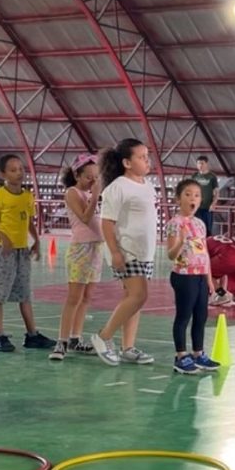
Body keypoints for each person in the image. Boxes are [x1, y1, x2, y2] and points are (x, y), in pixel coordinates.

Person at [90, 138, 157, 366]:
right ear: (127, 163)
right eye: (141, 157)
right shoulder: (117, 187)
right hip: (127, 251)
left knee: (133, 299)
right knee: (139, 295)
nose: (147, 161)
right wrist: (115, 252)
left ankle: (128, 347)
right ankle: (103, 336)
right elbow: (107, 222)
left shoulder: (147, 185)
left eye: (147, 156)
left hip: (144, 252)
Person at [0, 154, 56, 352]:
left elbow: (28, 221)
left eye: (21, 169)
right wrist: (3, 237)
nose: (19, 173)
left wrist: (36, 241)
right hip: (3, 251)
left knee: (25, 294)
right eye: (13, 170)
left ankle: (32, 335)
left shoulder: (27, 196)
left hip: (22, 251)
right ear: (3, 174)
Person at [50, 153, 102, 361]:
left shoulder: (90, 194)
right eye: (88, 177)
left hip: (96, 249)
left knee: (87, 297)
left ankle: (75, 338)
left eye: (96, 177)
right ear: (77, 175)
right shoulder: (73, 193)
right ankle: (61, 341)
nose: (92, 181)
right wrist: (95, 196)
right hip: (80, 249)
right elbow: (85, 218)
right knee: (74, 297)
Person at [165, 180, 219, 374]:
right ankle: (181, 356)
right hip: (184, 276)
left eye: (196, 195)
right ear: (178, 199)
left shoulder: (200, 224)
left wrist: (209, 279)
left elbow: (204, 253)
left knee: (201, 316)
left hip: (200, 276)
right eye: (187, 194)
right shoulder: (174, 224)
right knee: (184, 316)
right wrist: (181, 240)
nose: (192, 198)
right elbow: (171, 255)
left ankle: (198, 353)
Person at [191, 156, 219, 236]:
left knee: (207, 229)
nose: (200, 165)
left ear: (206, 164)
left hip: (207, 207)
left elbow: (216, 192)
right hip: (196, 207)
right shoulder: (194, 176)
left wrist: (213, 203)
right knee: (195, 228)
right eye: (198, 163)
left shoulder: (212, 176)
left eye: (202, 163)